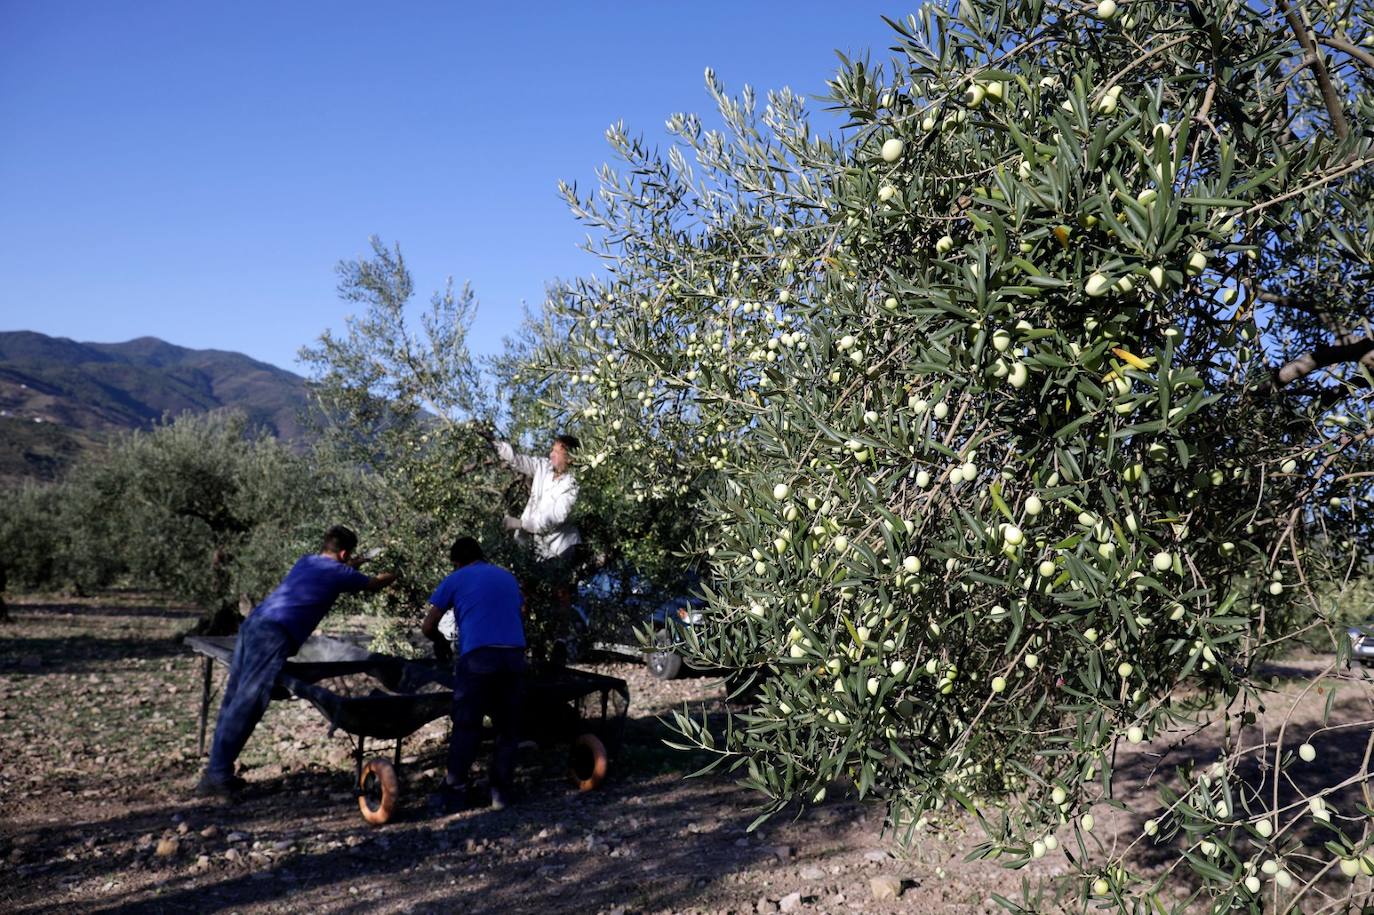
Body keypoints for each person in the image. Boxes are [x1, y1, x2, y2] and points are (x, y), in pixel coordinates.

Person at [195, 525, 396, 796]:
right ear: (345, 553)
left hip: (253, 625)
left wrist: (353, 564)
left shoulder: (308, 560)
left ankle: (215, 773)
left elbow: (337, 572)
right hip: (273, 635)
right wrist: (398, 572)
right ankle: (218, 777)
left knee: (235, 698)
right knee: (249, 703)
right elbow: (374, 583)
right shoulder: (339, 572)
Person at [421, 536, 526, 812]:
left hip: (479, 658)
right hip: (514, 657)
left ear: (457, 562)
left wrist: (440, 642)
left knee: (467, 725)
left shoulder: (456, 578)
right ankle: (500, 794)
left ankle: (455, 793)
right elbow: (521, 611)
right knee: (508, 728)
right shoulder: (507, 577)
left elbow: (428, 625)